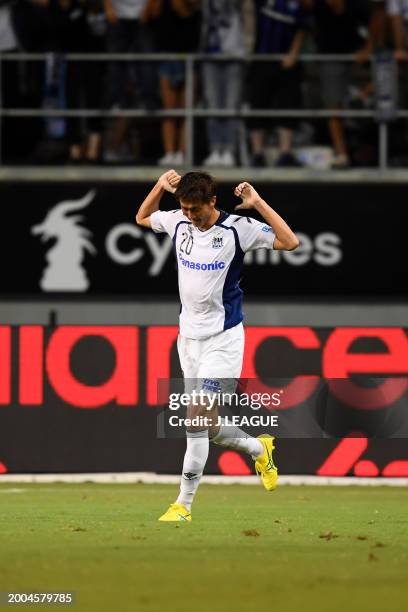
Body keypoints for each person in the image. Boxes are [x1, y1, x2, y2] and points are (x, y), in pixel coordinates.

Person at [136, 169, 299, 521]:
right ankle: (259, 447)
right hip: (188, 340)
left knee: (194, 419)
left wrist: (257, 204)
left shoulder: (237, 229)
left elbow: (289, 242)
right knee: (207, 425)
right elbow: (143, 217)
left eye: (197, 209)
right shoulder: (179, 220)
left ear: (213, 201)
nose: (191, 217)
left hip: (223, 339)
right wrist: (160, 187)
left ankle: (183, 504)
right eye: (185, 209)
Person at [311, 0, 372, 169]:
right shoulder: (318, 6)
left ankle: (370, 151)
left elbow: (377, 18)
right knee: (333, 105)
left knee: (373, 98)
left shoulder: (358, 7)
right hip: (330, 58)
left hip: (358, 59)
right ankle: (341, 153)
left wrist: (369, 48)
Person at [249, 0, 309, 167]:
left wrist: (294, 53)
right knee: (258, 103)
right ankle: (257, 154)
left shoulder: (296, 4)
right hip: (260, 59)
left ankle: (285, 153)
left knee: (288, 103)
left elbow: (302, 26)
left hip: (287, 61)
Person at [153, 0, 201, 166]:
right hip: (168, 58)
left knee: (186, 111)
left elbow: (187, 11)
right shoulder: (163, 6)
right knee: (169, 110)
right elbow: (150, 14)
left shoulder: (195, 7)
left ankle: (182, 153)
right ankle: (169, 153)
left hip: (190, 59)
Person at [200, 0, 246, 168]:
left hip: (234, 54)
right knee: (212, 104)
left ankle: (229, 150)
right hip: (209, 54)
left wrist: (248, 47)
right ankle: (215, 149)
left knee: (230, 105)